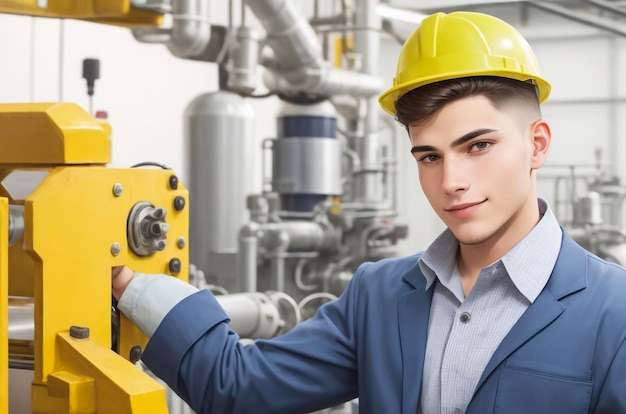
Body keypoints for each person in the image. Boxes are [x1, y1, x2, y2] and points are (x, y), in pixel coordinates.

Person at [112, 11, 626, 414]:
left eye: (478, 146)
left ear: (537, 144)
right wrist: (137, 288)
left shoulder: (614, 312)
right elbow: (237, 390)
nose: (451, 182)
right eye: (429, 156)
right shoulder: (379, 296)